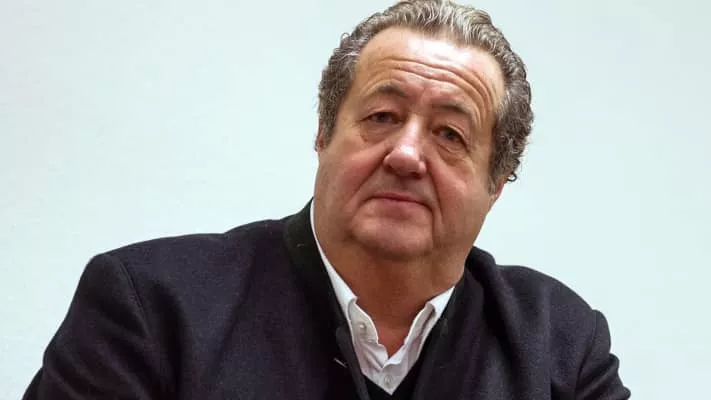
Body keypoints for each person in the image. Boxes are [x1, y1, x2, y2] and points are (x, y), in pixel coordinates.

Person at [23, 0, 630, 399]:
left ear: (496, 183)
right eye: (382, 116)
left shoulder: (560, 345)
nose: (406, 154)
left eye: (450, 134)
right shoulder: (150, 307)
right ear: (322, 136)